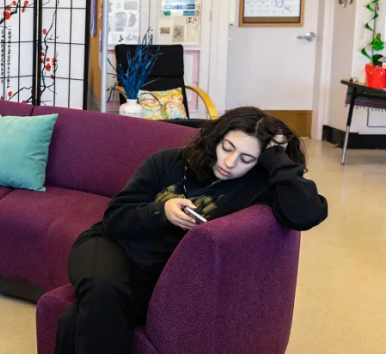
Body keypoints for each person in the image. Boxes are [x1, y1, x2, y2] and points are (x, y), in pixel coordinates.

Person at [56, 107, 328, 354]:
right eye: (227, 147)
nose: (230, 163)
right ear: (215, 140)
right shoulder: (169, 161)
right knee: (104, 289)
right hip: (109, 244)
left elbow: (307, 213)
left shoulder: (254, 188)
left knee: (92, 313)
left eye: (246, 158)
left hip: (155, 272)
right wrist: (161, 212)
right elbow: (115, 218)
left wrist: (278, 159)